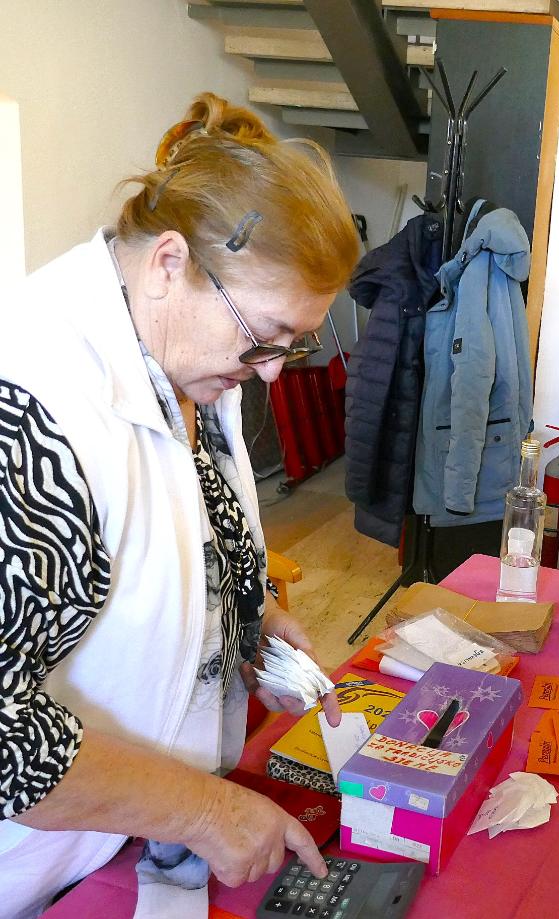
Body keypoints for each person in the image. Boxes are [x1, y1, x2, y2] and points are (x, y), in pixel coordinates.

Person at [0, 93, 361, 917]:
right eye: (264, 335)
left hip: (132, 843)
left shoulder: (187, 354)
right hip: (40, 875)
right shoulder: (31, 407)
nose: (274, 372)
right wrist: (204, 811)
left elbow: (173, 536)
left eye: (293, 344)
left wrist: (250, 620)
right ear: (170, 263)